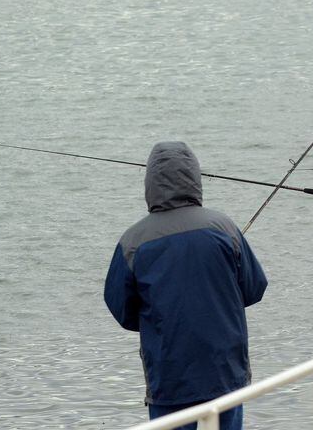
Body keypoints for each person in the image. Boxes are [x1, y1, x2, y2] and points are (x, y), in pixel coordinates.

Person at [104, 142, 268, 429]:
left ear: (150, 183)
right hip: (226, 374)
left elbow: (122, 310)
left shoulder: (133, 241)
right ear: (194, 178)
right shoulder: (224, 228)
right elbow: (254, 288)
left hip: (170, 380)